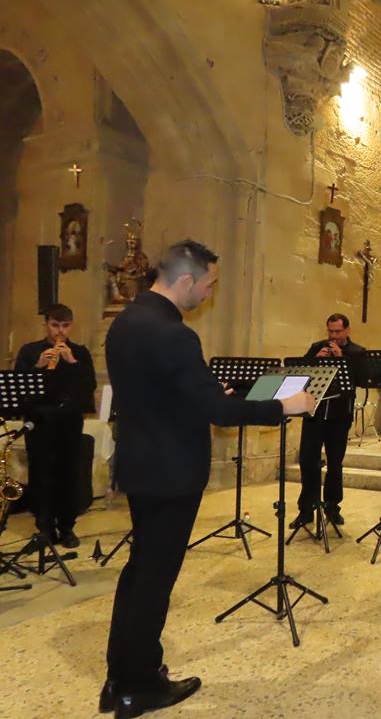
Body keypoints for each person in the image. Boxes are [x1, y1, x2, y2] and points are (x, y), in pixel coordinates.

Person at [101, 240, 315, 717]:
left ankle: (121, 676)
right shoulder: (175, 334)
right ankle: (139, 687)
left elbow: (156, 394)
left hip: (140, 465)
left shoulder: (126, 321)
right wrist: (285, 406)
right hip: (171, 472)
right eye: (209, 283)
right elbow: (218, 411)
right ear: (185, 280)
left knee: (139, 574)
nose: (210, 292)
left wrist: (197, 393)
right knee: (154, 581)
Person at [15, 303, 97, 549]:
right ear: (46, 325)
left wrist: (71, 362)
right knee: (41, 475)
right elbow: (18, 385)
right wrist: (38, 366)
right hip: (39, 423)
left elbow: (88, 386)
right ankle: (44, 528)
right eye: (54, 325)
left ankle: (67, 527)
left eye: (65, 326)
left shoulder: (80, 353)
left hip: (68, 423)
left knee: (68, 475)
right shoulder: (29, 352)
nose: (59, 332)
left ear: (71, 326)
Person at [291, 313, 365, 529]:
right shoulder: (317, 347)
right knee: (308, 461)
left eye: (337, 332)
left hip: (339, 416)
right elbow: (301, 375)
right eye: (330, 331)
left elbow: (360, 380)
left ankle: (332, 507)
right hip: (314, 413)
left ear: (347, 331)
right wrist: (316, 361)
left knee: (335, 463)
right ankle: (306, 510)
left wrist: (341, 359)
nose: (333, 336)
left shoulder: (357, 352)